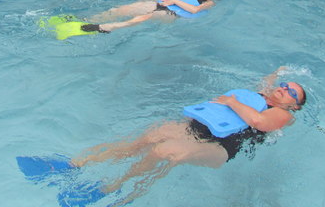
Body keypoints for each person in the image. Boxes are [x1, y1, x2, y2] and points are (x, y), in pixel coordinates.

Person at [69, 67, 307, 205]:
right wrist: (277, 73)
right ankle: (77, 163)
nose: (284, 89)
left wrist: (232, 103)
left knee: (164, 151)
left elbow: (257, 122)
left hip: (221, 146)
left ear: (294, 106)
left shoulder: (283, 115)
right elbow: (266, 82)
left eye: (291, 92)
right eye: (285, 85)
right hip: (199, 127)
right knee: (151, 136)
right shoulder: (261, 94)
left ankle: (116, 190)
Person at [80, 0, 228, 33]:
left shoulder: (210, 3)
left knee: (143, 17)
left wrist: (175, 3)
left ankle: (106, 27)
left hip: (171, 13)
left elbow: (194, 10)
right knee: (122, 9)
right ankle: (87, 19)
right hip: (162, 3)